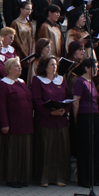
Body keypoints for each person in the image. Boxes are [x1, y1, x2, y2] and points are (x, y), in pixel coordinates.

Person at [31, 56, 72, 187]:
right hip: (45, 120)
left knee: (60, 150)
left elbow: (69, 97)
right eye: (51, 65)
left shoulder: (61, 79)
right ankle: (44, 178)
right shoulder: (38, 80)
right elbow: (37, 100)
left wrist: (64, 111)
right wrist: (50, 112)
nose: (54, 67)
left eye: (55, 65)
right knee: (45, 149)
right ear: (45, 66)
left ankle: (60, 177)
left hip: (61, 121)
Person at [0, 57, 33, 188]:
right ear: (9, 69)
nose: (20, 68)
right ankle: (12, 177)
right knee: (13, 151)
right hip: (13, 123)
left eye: (20, 67)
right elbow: (1, 105)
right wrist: (4, 123)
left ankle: (23, 176)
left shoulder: (22, 82)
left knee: (24, 150)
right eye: (17, 66)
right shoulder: (3, 84)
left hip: (26, 122)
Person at [72, 58, 99, 188]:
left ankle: (93, 177)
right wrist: (76, 119)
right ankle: (84, 179)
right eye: (95, 67)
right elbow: (76, 101)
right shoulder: (80, 81)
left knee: (95, 146)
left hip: (94, 115)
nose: (97, 70)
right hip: (84, 116)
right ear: (87, 68)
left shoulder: (92, 82)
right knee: (85, 147)